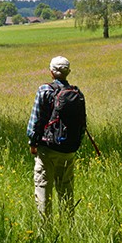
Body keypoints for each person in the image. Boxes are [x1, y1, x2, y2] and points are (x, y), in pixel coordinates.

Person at [26, 56, 81, 220]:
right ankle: (68, 226)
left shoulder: (44, 90)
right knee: (66, 189)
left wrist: (33, 143)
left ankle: (45, 230)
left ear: (51, 72)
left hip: (47, 149)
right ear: (68, 72)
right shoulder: (75, 93)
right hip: (69, 149)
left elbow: (34, 121)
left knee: (43, 188)